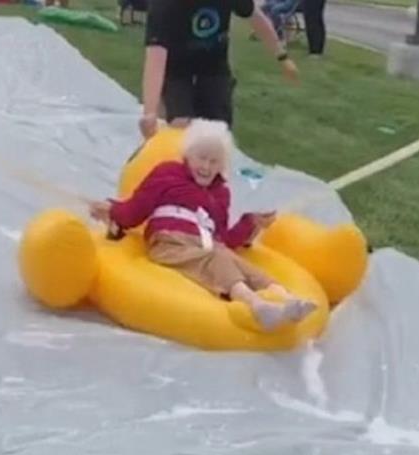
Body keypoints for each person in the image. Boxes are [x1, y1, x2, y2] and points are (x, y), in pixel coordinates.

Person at [90, 119, 316, 330]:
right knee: (216, 258)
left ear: (222, 165)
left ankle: (286, 299)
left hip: (207, 244)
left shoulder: (221, 193)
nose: (206, 166)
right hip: (170, 243)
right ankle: (256, 305)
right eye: (202, 158)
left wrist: (251, 222)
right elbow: (136, 209)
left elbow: (223, 238)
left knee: (240, 264)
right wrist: (112, 210)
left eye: (214, 161)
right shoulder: (167, 174)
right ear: (188, 156)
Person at [139, 0, 300, 139]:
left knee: (218, 131)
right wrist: (150, 112)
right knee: (179, 129)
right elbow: (156, 57)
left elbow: (257, 18)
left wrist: (282, 56)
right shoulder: (165, 5)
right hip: (176, 70)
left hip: (213, 68)